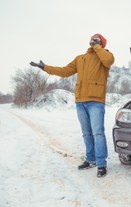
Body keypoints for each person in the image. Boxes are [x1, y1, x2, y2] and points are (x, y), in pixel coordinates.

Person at [30, 34, 115, 178]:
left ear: (101, 43)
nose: (93, 40)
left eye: (97, 39)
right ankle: (90, 159)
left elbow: (108, 61)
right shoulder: (80, 58)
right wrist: (45, 67)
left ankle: (101, 164)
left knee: (98, 133)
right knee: (86, 133)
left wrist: (98, 47)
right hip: (80, 101)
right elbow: (64, 71)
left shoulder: (105, 55)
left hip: (96, 101)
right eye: (92, 38)